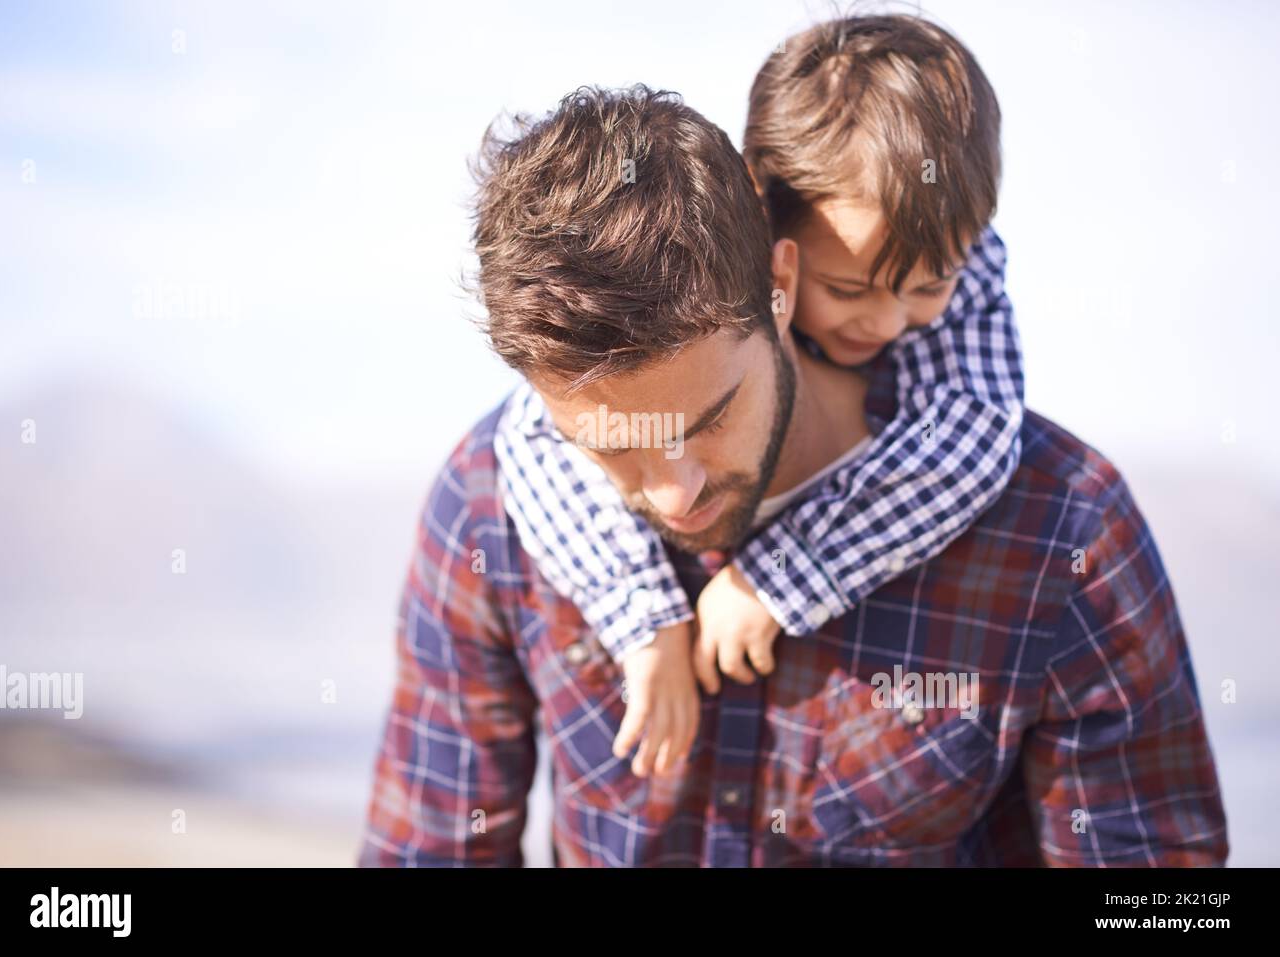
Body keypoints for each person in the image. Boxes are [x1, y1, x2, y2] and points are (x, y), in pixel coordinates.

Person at [359, 83, 1227, 866]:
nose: (676, 495)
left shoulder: (1062, 527)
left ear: (781, 282)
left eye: (709, 422)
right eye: (612, 448)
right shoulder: (487, 509)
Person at [496, 15, 1022, 776]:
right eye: (846, 288)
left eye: (930, 285)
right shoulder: (701, 289)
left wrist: (780, 576)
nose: (887, 319)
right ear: (766, 217)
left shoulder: (954, 263)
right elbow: (530, 435)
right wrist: (645, 618)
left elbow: (973, 436)